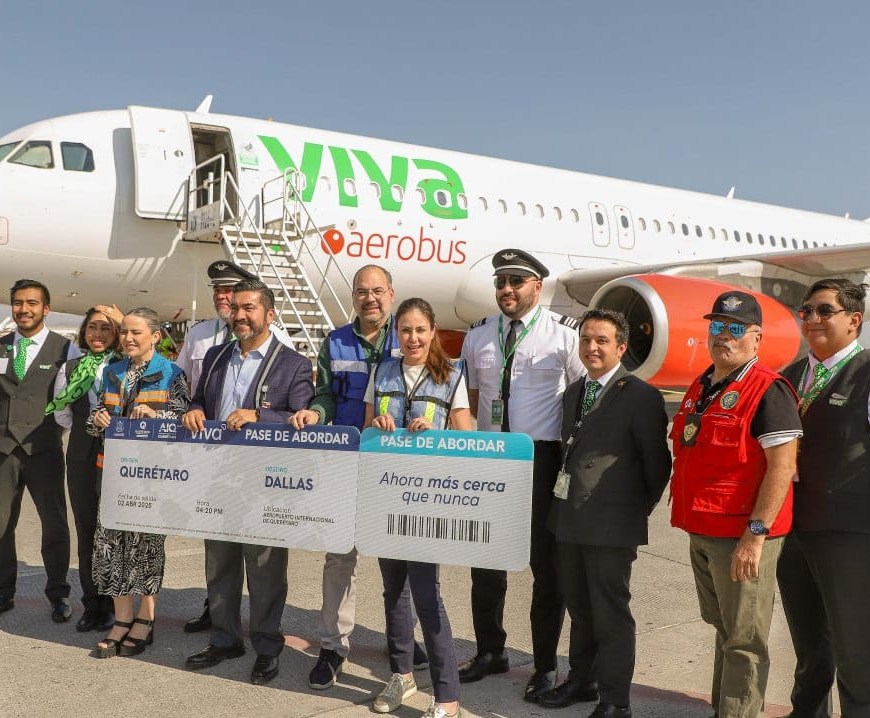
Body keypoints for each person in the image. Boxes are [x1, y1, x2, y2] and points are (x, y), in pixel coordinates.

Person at [288, 264, 427, 689]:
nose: (370, 298)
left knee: (398, 557)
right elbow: (326, 394)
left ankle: (401, 638)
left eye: (378, 290)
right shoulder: (335, 341)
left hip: (396, 465)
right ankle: (333, 645)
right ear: (353, 297)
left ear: (391, 293)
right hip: (347, 460)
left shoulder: (407, 336)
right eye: (362, 291)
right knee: (340, 556)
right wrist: (317, 412)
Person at [459, 248, 584, 702]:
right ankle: (490, 650)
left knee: (546, 570)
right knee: (485, 564)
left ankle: (545, 665)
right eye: (501, 282)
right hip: (492, 458)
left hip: (541, 460)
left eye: (516, 281)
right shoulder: (478, 335)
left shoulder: (564, 334)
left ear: (537, 286)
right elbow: (471, 400)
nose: (507, 289)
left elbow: (582, 398)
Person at [670, 291, 802, 718]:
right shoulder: (703, 384)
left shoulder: (769, 390)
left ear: (757, 337)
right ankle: (725, 710)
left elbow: (782, 467)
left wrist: (755, 535)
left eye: (735, 328)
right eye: (716, 326)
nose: (723, 336)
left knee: (745, 639)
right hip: (703, 530)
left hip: (742, 536)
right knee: (724, 628)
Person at [182, 279, 314, 686]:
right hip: (217, 476)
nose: (239, 315)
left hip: (264, 482)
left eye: (249, 308)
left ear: (269, 314)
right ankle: (225, 640)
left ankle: (267, 646)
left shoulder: (294, 364)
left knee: (265, 569)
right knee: (219, 563)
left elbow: (301, 418)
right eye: (235, 308)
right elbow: (200, 399)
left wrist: (260, 416)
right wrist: (194, 410)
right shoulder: (216, 356)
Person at [544, 309, 671, 718]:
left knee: (611, 613)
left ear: (621, 347)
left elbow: (657, 466)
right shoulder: (573, 392)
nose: (592, 347)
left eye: (602, 340)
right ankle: (582, 680)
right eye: (586, 340)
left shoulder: (640, 396)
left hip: (612, 526)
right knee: (579, 608)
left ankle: (616, 700)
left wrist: (631, 511)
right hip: (569, 519)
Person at [365, 297, 470, 718]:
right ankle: (402, 675)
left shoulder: (452, 376)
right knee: (394, 591)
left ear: (433, 332)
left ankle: (447, 696)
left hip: (428, 502)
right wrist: (377, 425)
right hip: (386, 496)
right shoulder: (382, 371)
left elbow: (468, 441)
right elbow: (366, 428)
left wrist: (435, 433)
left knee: (427, 596)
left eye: (420, 330)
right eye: (405, 330)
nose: (413, 338)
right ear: (397, 333)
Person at [777, 278, 870, 718]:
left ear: (854, 320)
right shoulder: (790, 376)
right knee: (809, 645)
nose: (812, 319)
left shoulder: (866, 373)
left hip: (848, 532)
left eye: (824, 311)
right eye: (807, 311)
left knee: (855, 648)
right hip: (792, 528)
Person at [88, 307, 190, 657]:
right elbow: (95, 416)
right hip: (114, 474)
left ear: (155, 336)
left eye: (136, 332)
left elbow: (185, 423)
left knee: (146, 548)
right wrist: (98, 418)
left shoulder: (172, 374)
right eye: (124, 332)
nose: (128, 338)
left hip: (151, 477)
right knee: (110, 546)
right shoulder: (112, 371)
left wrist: (157, 416)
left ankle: (146, 619)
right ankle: (122, 619)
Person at [0, 279, 80, 622]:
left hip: (44, 449)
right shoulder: (1, 346)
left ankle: (58, 593)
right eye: (18, 303)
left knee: (54, 524)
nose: (24, 309)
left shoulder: (66, 349)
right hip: (3, 450)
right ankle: (3, 591)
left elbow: (74, 397)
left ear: (46, 308)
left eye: (32, 303)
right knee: (1, 524)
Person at [49, 307, 121, 632]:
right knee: (87, 529)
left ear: (116, 333)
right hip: (81, 455)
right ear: (84, 331)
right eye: (93, 327)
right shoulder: (71, 367)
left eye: (106, 328)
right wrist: (86, 426)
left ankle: (113, 604)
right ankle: (92, 604)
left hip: (119, 455)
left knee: (113, 531)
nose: (98, 334)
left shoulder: (125, 366)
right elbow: (62, 413)